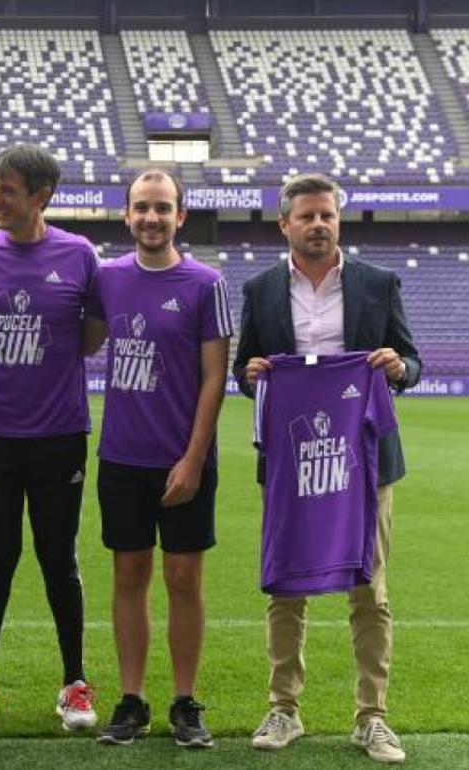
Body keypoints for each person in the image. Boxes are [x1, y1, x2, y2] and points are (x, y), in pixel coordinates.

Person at [234, 172, 420, 765]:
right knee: (286, 583)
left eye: (328, 216)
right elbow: (244, 370)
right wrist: (254, 375)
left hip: (365, 465)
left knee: (370, 588)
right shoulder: (262, 290)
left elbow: (410, 360)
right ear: (284, 224)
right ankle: (284, 707)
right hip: (294, 464)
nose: (319, 225)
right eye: (308, 216)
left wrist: (397, 368)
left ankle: (372, 717)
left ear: (338, 221)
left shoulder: (377, 282)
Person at [0, 145, 98, 731]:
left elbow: (92, 334)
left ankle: (75, 682)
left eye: (6, 190)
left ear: (40, 197)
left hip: (60, 432)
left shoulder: (79, 256)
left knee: (59, 558)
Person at [83, 168, 231, 749]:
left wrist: (193, 460)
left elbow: (214, 379)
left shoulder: (204, 283)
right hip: (122, 455)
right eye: (142, 208)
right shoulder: (106, 279)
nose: (151, 218)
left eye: (162, 208)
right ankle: (131, 699)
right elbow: (85, 341)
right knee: (128, 573)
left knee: (184, 577)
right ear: (127, 215)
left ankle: (185, 702)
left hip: (184, 456)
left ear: (180, 216)